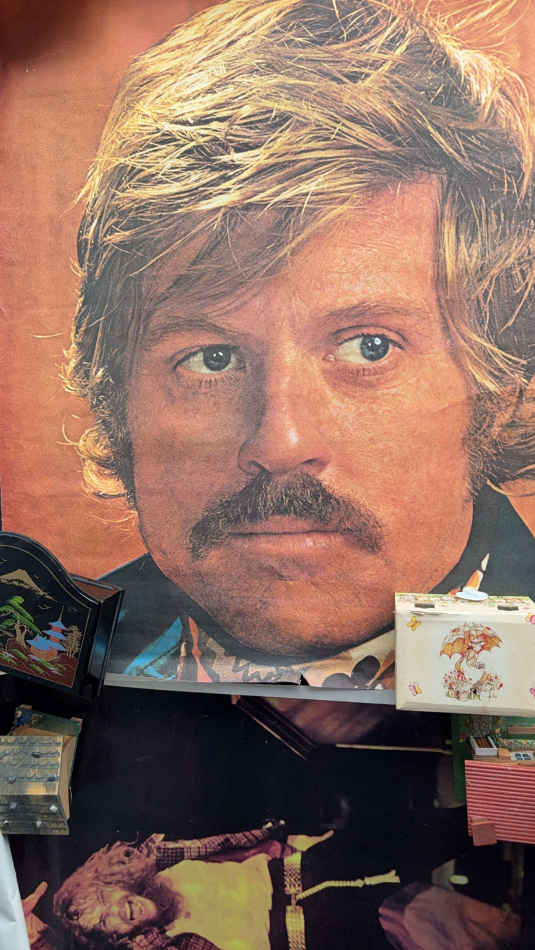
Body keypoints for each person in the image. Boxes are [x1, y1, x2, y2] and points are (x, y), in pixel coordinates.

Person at [63, 0, 535, 686]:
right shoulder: (49, 667)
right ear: (117, 401)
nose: (279, 443)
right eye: (212, 359)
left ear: (501, 387)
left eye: (369, 347)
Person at [49, 823, 522, 949]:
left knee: (440, 836)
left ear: (111, 883)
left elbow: (231, 846)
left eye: (105, 900)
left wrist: (284, 840)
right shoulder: (167, 944)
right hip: (321, 936)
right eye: (105, 924)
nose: (118, 912)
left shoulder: (165, 870)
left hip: (311, 870)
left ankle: (509, 814)